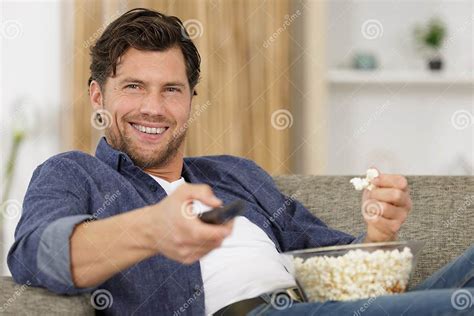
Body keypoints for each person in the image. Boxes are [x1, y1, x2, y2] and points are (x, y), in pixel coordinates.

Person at [8, 8, 473, 316]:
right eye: (133, 87)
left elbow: (332, 267)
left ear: (190, 100)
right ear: (98, 94)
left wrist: (378, 233)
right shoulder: (73, 173)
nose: (152, 107)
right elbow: (34, 257)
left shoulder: (236, 174)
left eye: (170, 90)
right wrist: (155, 228)